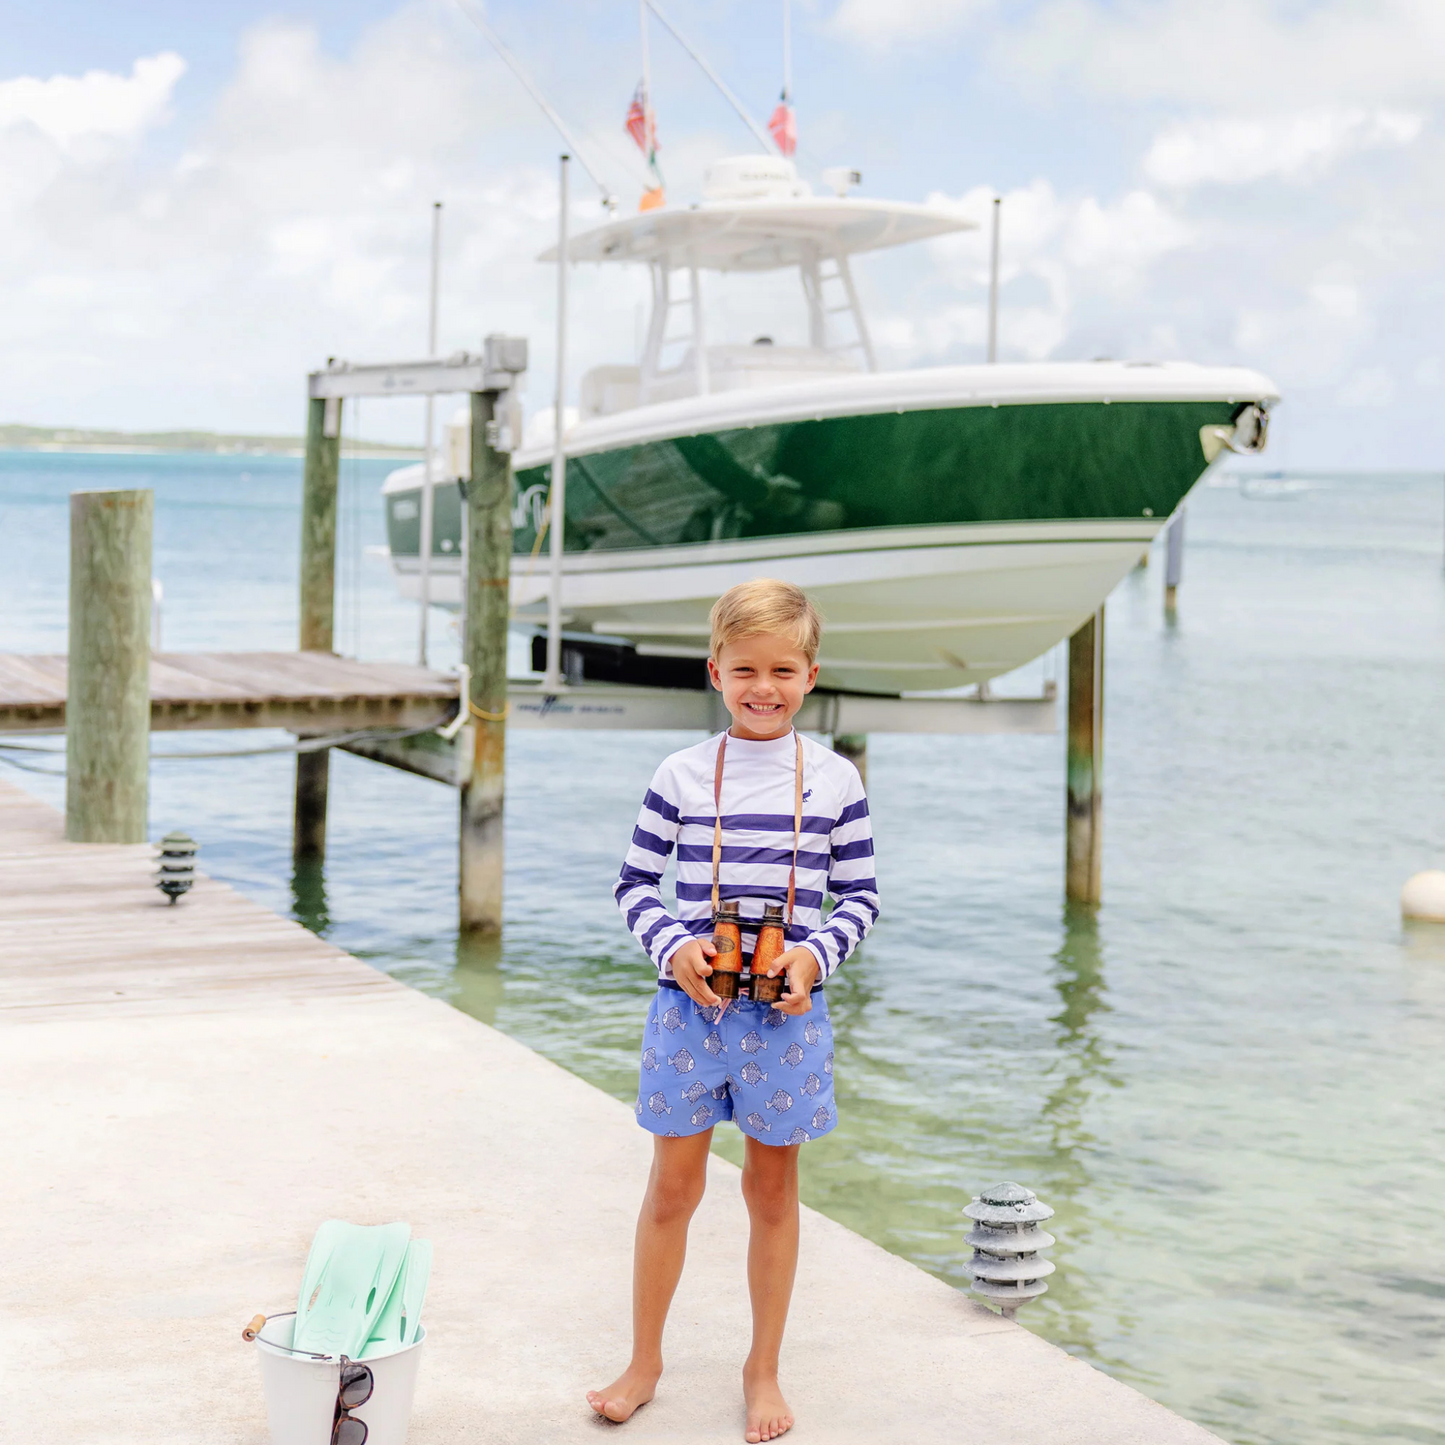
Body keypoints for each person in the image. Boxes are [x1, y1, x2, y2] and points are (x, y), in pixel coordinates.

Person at [588, 578, 880, 1443]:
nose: (764, 687)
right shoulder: (678, 773)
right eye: (745, 669)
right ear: (714, 672)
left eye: (782, 670)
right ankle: (644, 1360)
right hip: (688, 1011)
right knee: (671, 1190)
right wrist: (671, 943)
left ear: (811, 674)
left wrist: (813, 952)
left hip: (785, 1015)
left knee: (772, 1192)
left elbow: (860, 895)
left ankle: (762, 1368)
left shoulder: (833, 779)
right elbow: (635, 883)